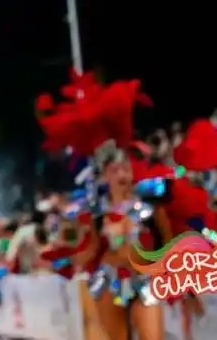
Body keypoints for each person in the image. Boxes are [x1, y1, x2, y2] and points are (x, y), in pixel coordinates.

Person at [37, 71, 168, 340]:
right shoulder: (92, 212)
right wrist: (76, 237)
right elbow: (83, 257)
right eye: (115, 170)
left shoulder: (151, 202)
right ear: (105, 176)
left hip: (145, 280)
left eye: (126, 168)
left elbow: (168, 242)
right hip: (109, 281)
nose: (122, 175)